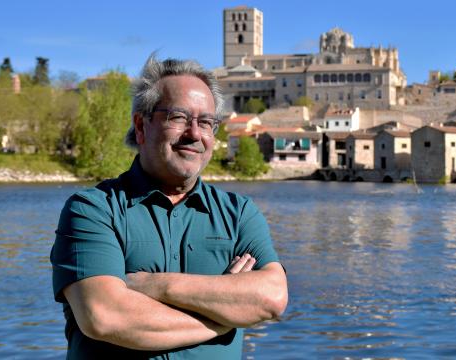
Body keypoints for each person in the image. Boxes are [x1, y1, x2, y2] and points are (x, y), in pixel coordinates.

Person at [50, 54, 288, 359]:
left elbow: (272, 297)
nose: (194, 134)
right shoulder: (92, 210)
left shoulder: (239, 214)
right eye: (178, 117)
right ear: (141, 125)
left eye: (206, 122)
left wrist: (154, 285)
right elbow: (104, 317)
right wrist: (224, 317)